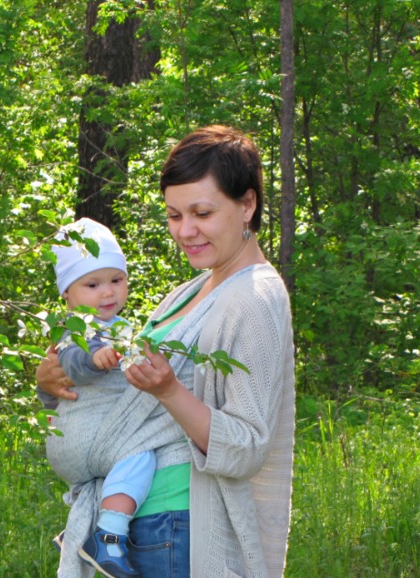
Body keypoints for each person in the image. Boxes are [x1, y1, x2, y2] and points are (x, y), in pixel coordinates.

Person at [37, 125, 296, 578]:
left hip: (177, 524)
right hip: (140, 522)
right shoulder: (191, 289)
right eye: (175, 215)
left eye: (202, 212)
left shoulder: (254, 298)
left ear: (247, 204)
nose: (186, 231)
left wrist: (170, 390)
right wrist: (52, 378)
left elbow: (247, 446)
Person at [43, 217, 157, 578]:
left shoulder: (121, 328)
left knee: (135, 461)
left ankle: (85, 531)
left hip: (88, 439)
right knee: (141, 452)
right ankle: (109, 535)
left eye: (116, 280)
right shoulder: (71, 327)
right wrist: (95, 360)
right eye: (92, 284)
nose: (107, 293)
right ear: (67, 293)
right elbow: (72, 365)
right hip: (81, 435)